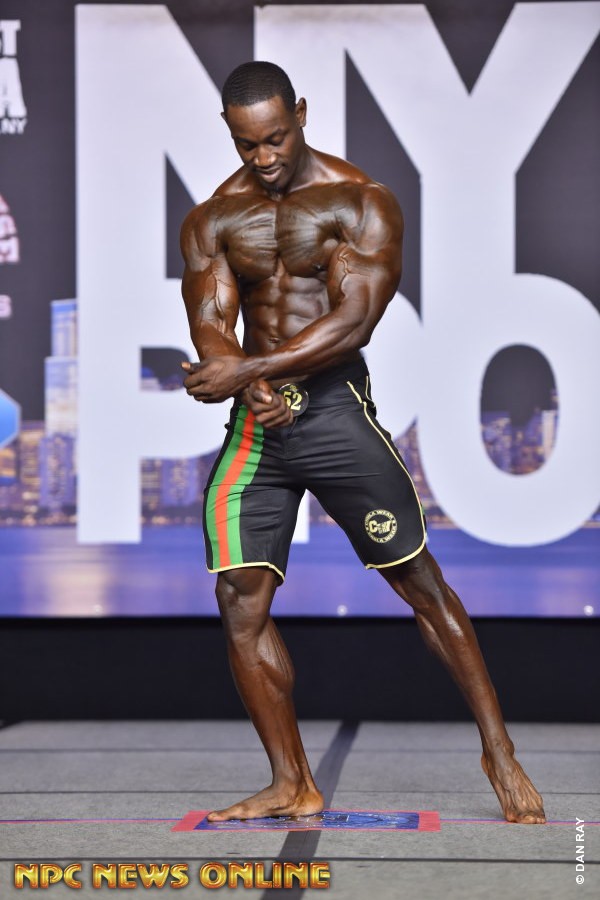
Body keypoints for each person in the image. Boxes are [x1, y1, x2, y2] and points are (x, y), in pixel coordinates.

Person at [180, 61, 546, 825]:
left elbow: (354, 321)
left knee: (419, 583)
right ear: (230, 134)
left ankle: (499, 751)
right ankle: (292, 781)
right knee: (238, 596)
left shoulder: (359, 201)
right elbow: (212, 321)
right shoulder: (213, 218)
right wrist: (246, 382)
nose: (264, 157)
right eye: (248, 144)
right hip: (258, 426)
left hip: (334, 412)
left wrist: (255, 370)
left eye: (276, 138)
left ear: (301, 113)